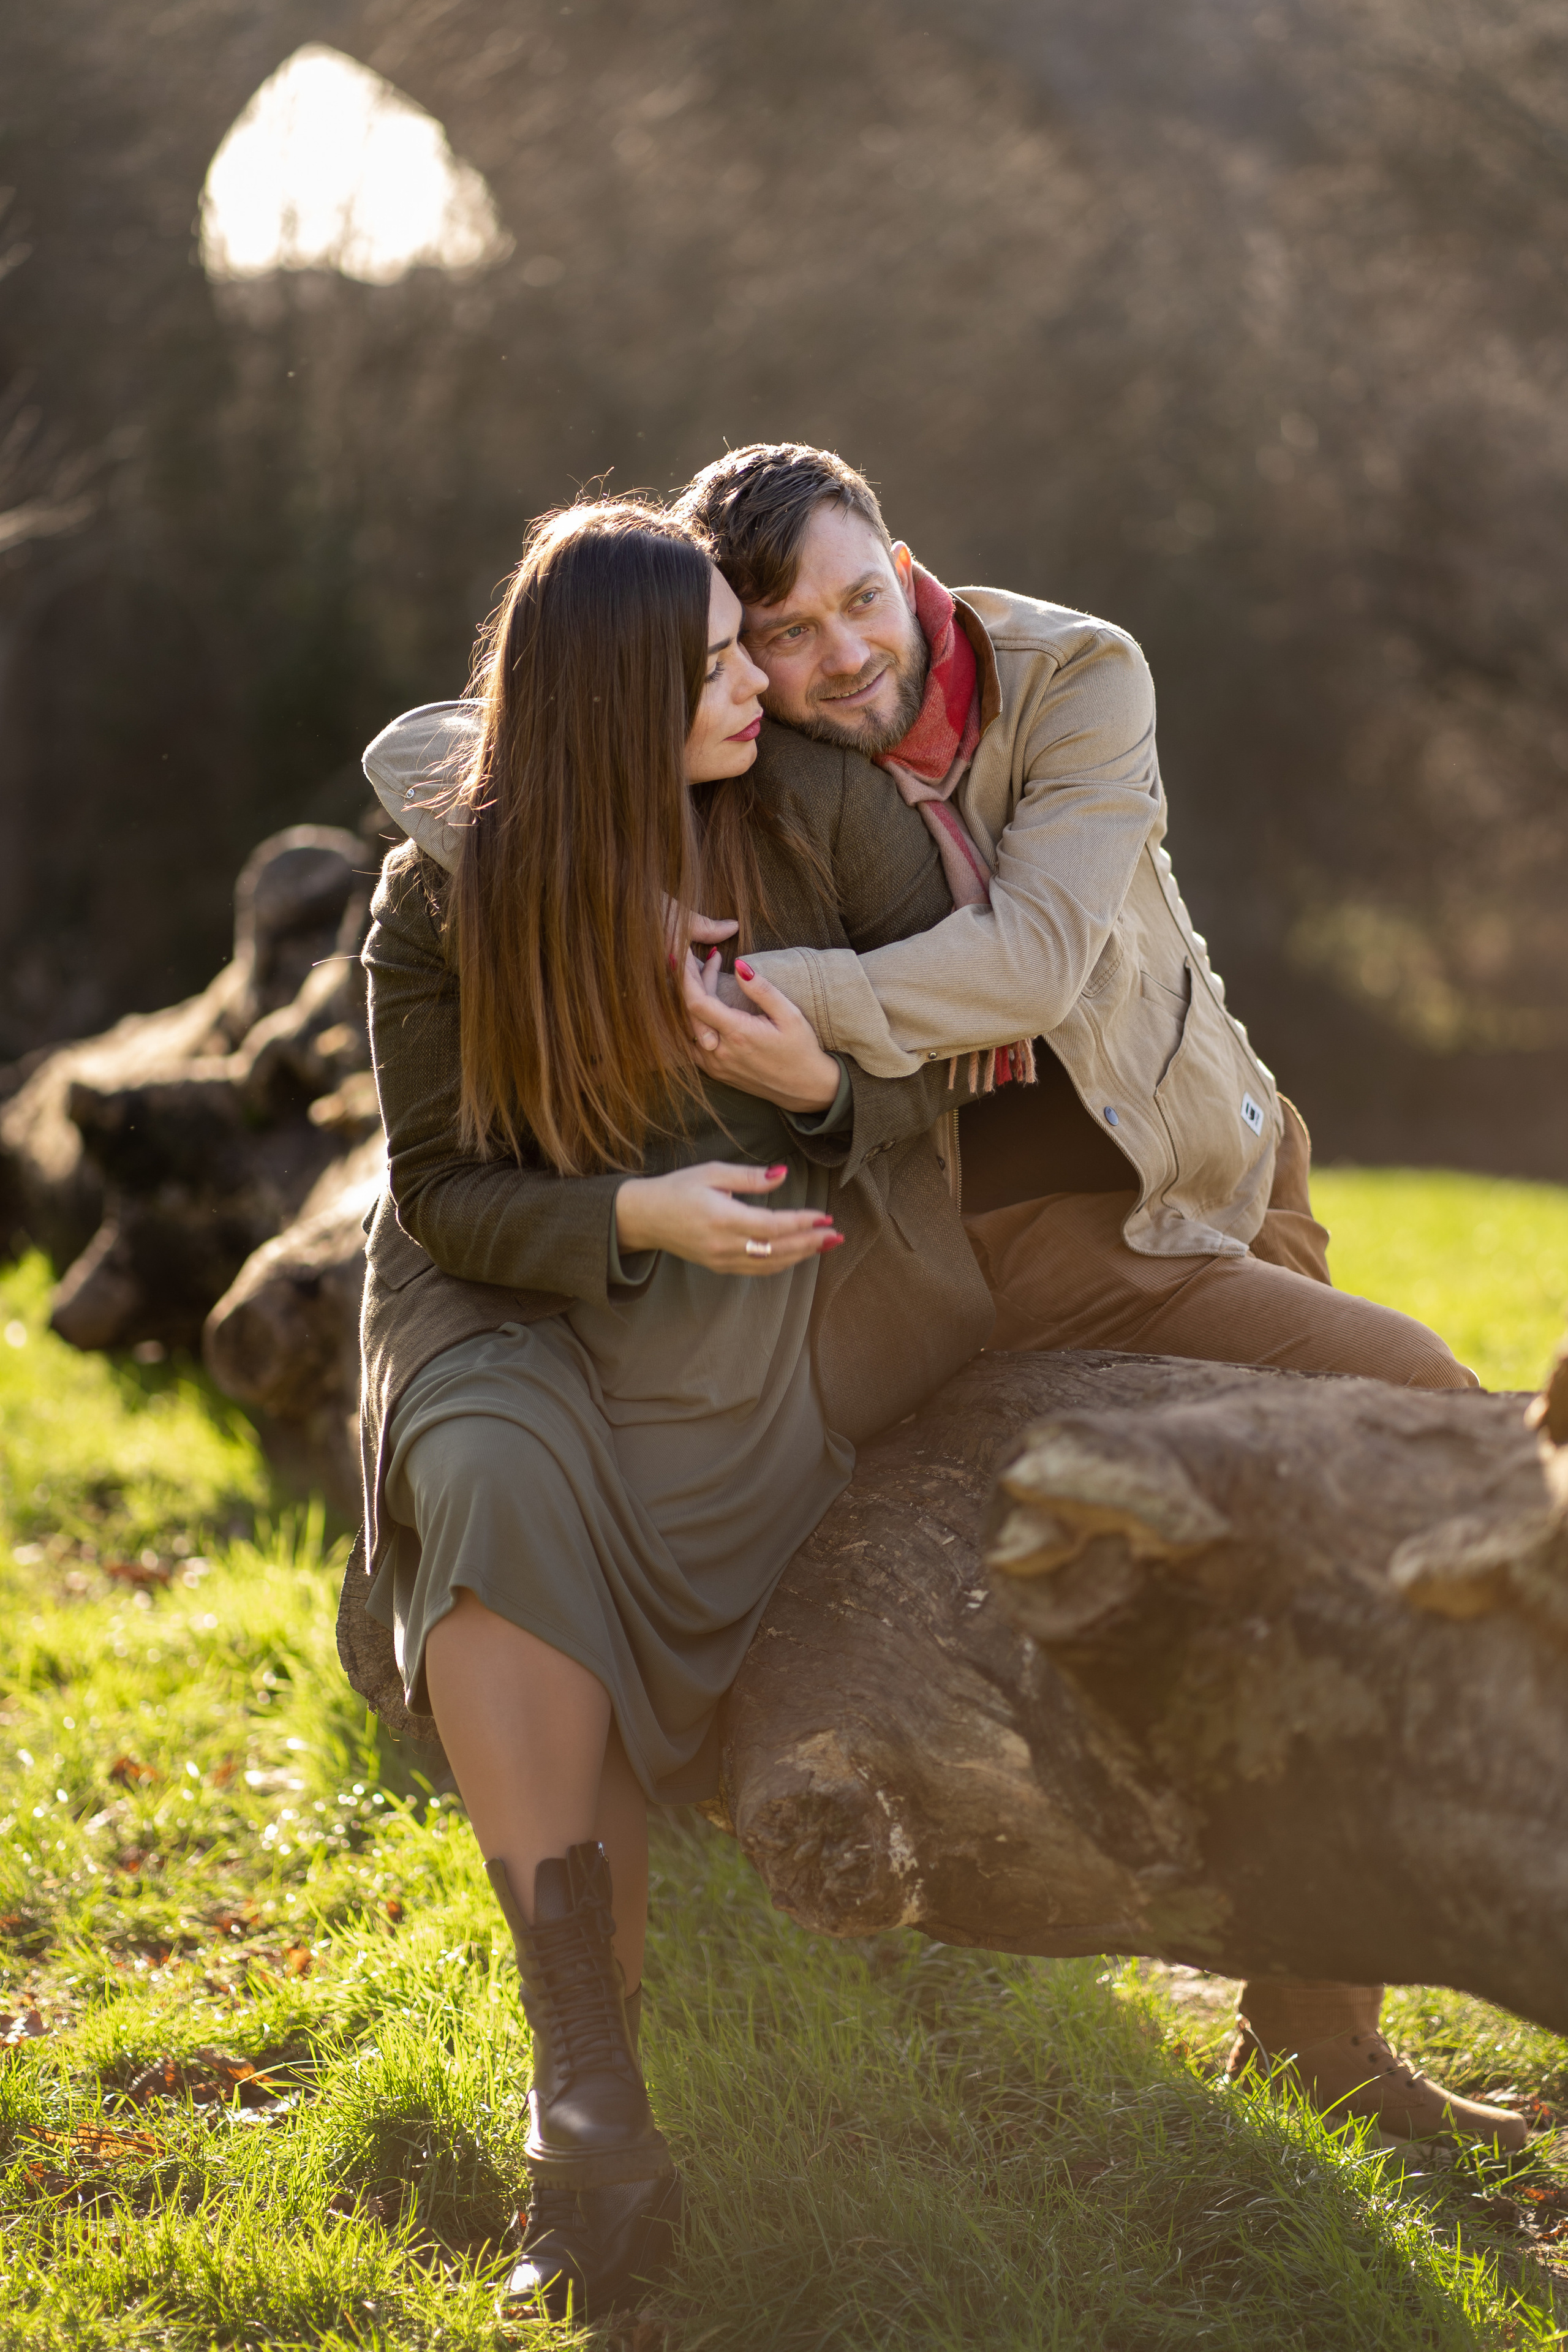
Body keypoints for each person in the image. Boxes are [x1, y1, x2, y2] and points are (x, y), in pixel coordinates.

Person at [668, 442, 1523, 2153]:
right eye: (787, 632)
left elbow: (1047, 957)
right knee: (1436, 1412)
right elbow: (425, 753)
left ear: (901, 555)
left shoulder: (1073, 672)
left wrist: (788, 995)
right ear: (730, 646)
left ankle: (1310, 2028)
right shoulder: (731, 744)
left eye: (861, 598)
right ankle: (1318, 2017)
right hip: (1034, 1232)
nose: (846, 655)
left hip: (1217, 1155)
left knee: (1324, 1555)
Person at [339, 497, 999, 2319]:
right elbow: (444, 1187)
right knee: (484, 1480)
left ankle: (599, 2052)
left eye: (750, 645)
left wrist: (809, 1097)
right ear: (613, 696)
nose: (759, 686)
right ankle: (590, 2105)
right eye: (713, 663)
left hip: (758, 1312)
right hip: (511, 1298)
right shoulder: (441, 891)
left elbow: (941, 1119)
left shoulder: (816, 818)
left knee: (682, 1577)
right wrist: (631, 1210)